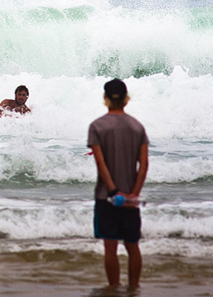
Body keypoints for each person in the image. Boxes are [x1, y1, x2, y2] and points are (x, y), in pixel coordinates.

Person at [87, 79, 149, 289]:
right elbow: (144, 164)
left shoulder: (97, 126)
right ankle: (133, 289)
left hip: (107, 197)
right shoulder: (137, 127)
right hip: (131, 199)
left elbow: (100, 163)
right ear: (126, 98)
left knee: (110, 248)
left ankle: (113, 288)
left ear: (105, 98)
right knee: (133, 246)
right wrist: (133, 194)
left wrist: (114, 191)